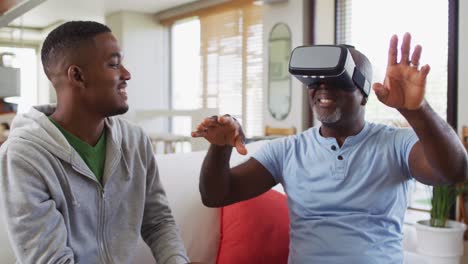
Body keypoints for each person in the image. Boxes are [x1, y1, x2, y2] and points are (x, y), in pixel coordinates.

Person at [193, 33, 468, 263]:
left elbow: (454, 171)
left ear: (363, 94)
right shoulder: (288, 150)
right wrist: (220, 148)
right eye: (315, 80)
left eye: (337, 79)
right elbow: (217, 195)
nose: (322, 87)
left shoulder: (396, 143)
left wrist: (418, 111)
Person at [0, 21, 192, 264]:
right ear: (77, 76)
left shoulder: (135, 141)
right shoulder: (24, 156)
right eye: (114, 64)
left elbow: (158, 221)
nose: (126, 74)